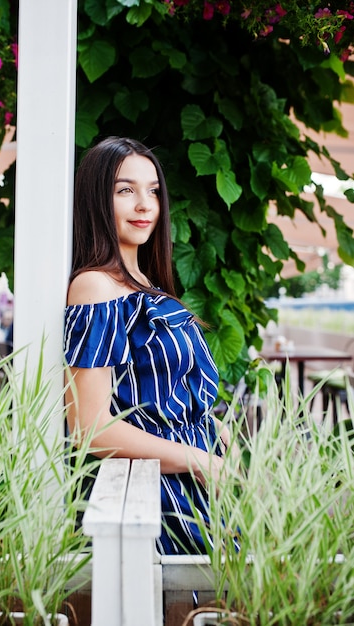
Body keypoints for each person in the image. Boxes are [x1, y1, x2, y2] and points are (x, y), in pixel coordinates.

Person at [64, 136, 237, 555]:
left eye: (153, 191)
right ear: (96, 201)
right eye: (126, 190)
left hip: (196, 490)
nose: (145, 205)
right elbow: (89, 426)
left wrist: (211, 429)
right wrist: (196, 458)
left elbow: (158, 395)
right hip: (153, 498)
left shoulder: (147, 286)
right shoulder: (95, 288)